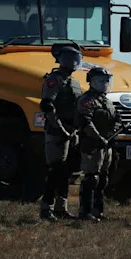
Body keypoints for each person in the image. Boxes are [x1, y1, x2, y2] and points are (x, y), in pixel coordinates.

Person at [38, 44, 83, 221]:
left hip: (73, 132)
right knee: (55, 170)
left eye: (75, 59)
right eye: (68, 58)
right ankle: (46, 208)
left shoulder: (75, 83)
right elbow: (47, 105)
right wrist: (60, 128)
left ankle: (60, 208)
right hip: (57, 131)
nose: (72, 63)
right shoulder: (53, 80)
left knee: (67, 171)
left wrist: (76, 130)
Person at [75, 67, 118, 221]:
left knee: (103, 178)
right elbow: (85, 121)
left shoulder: (107, 100)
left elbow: (115, 119)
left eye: (107, 81)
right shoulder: (87, 100)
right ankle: (84, 212)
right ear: (92, 82)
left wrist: (115, 131)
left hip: (107, 144)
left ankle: (97, 210)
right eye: (101, 81)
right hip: (92, 144)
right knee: (91, 178)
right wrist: (98, 137)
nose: (105, 84)